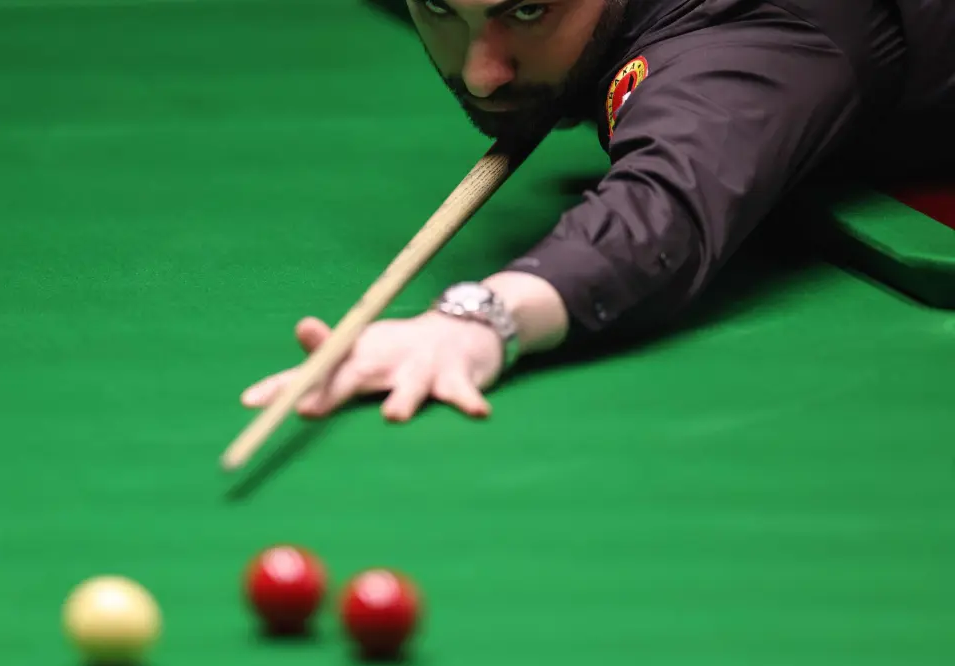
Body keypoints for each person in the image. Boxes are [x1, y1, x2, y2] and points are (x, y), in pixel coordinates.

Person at [242, 0, 955, 422]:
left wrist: (478, 319)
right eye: (439, 10)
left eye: (526, 11)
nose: (482, 72)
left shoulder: (740, 35)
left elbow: (664, 206)